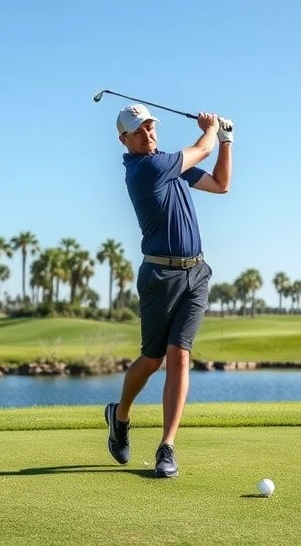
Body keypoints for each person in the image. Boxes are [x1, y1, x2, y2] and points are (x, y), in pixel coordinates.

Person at [104, 103, 233, 478]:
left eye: (150, 127)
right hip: (160, 278)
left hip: (196, 274)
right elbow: (201, 148)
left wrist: (226, 140)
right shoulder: (146, 170)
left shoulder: (169, 162)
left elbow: (221, 184)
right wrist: (211, 129)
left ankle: (167, 447)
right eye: (138, 130)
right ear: (123, 139)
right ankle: (120, 414)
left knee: (179, 356)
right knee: (151, 359)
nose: (147, 133)